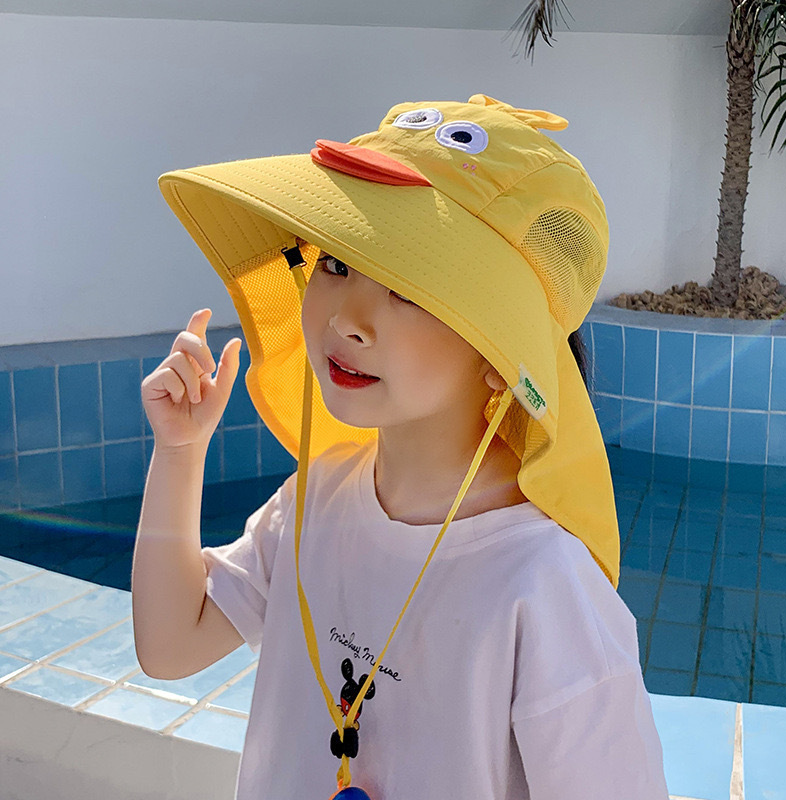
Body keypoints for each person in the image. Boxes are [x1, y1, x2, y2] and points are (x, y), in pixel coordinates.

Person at [133, 94, 670, 800]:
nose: (348, 320)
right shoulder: (315, 502)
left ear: (502, 355)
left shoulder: (544, 583)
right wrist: (179, 452)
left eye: (410, 290)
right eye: (336, 263)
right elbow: (171, 644)